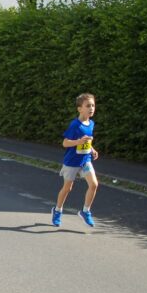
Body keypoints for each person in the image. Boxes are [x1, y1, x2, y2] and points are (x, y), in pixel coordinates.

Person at [51, 93, 99, 228]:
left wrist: (92, 149)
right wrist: (78, 141)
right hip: (72, 161)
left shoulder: (91, 123)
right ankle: (57, 210)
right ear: (79, 109)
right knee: (67, 188)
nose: (91, 108)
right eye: (88, 106)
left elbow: (87, 141)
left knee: (94, 184)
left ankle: (85, 211)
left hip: (85, 160)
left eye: (93, 105)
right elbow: (65, 143)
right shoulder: (75, 125)